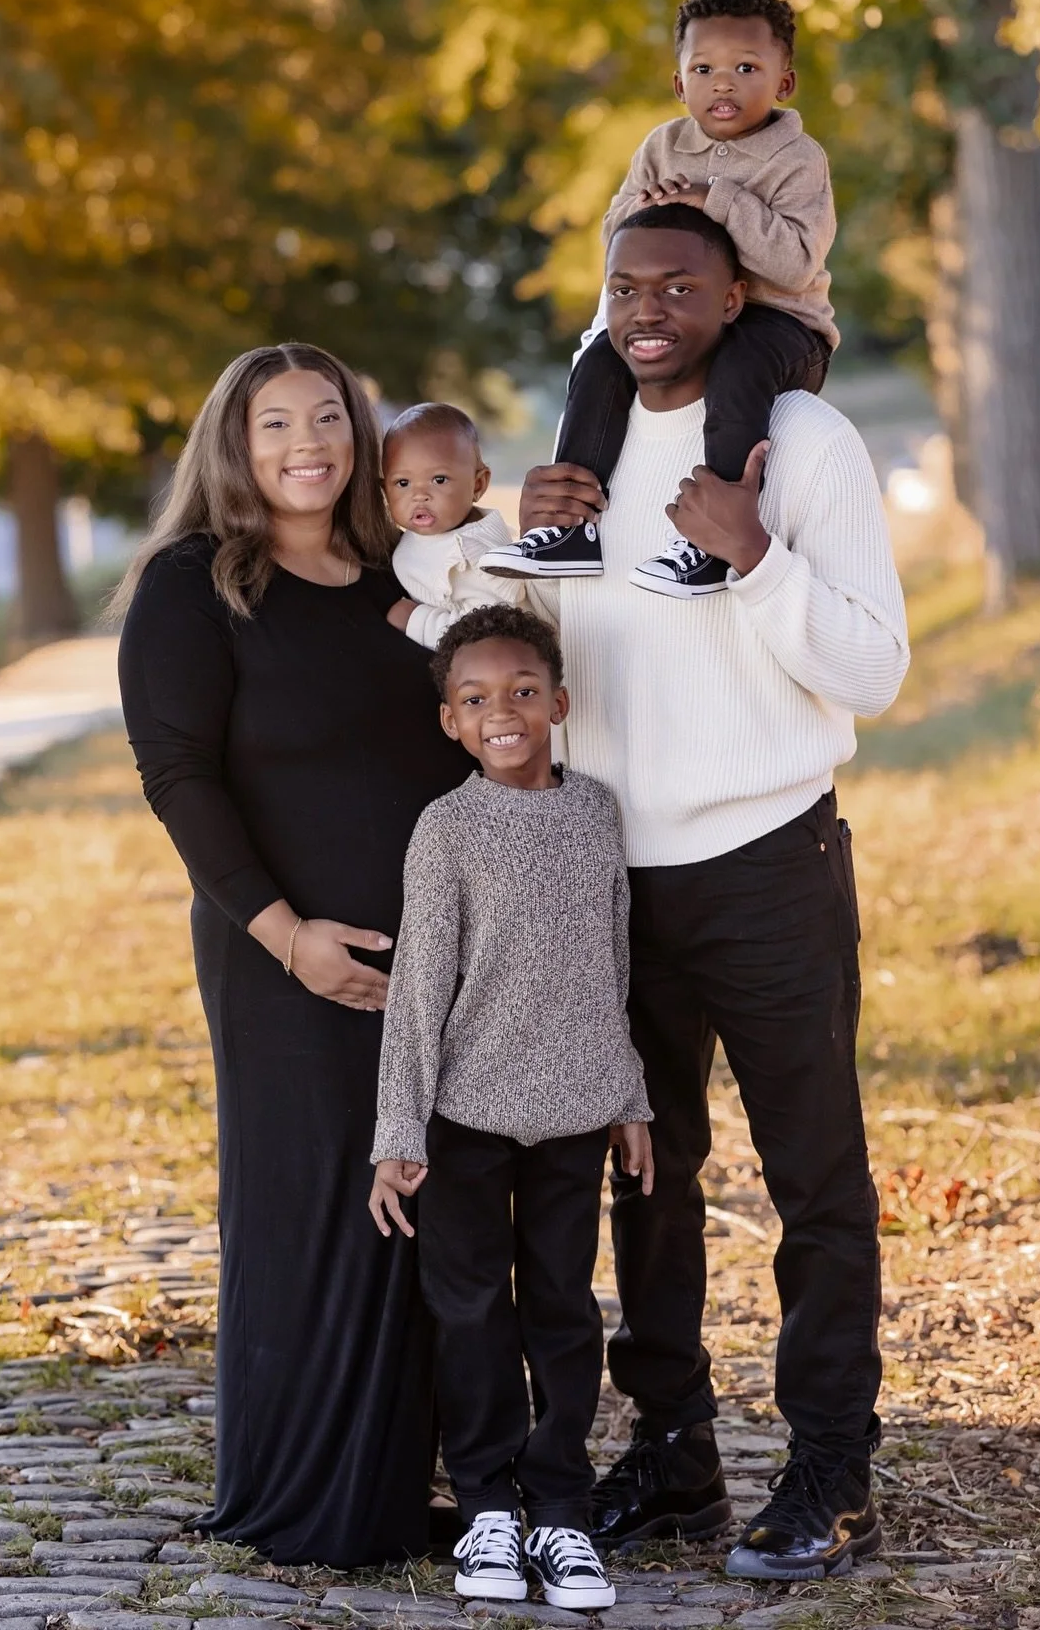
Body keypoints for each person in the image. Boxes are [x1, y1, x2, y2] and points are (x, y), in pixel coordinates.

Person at [516, 203, 909, 1581]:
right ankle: (674, 1455)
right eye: (625, 286)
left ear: (740, 298)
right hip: (613, 872)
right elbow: (532, 658)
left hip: (768, 863)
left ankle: (830, 1475)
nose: (649, 309)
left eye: (681, 286)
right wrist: (522, 544)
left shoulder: (803, 445)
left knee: (816, 1182)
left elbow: (870, 669)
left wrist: (754, 558)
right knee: (644, 1179)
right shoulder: (586, 450)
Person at [114, 342, 474, 1568]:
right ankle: (303, 1499)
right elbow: (180, 778)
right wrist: (286, 938)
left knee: (424, 1210)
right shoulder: (192, 586)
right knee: (313, 1208)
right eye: (276, 425)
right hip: (288, 959)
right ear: (235, 444)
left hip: (436, 960)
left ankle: (393, 1490)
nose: (306, 443)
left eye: (330, 417)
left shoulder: (401, 575)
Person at [368, 603, 653, 1610]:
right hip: (465, 1117)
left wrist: (629, 1092)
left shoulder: (596, 814)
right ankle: (489, 1505)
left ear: (560, 704)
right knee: (472, 1309)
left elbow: (612, 964)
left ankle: (563, 1514)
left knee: (567, 1312)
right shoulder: (446, 829)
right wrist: (399, 1132)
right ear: (450, 720)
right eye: (478, 699)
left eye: (525, 694)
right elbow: (418, 985)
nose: (504, 713)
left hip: (575, 1113)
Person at [482, 0, 836, 598]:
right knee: (599, 360)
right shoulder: (662, 146)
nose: (722, 83)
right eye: (704, 69)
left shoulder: (798, 158)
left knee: (738, 367)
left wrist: (716, 201)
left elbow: (796, 263)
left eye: (745, 68)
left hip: (779, 324)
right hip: (682, 320)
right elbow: (615, 233)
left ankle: (714, 538)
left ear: (784, 83)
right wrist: (642, 212)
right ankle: (572, 527)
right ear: (680, 84)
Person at [381, 401, 526, 649]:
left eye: (439, 479)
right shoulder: (419, 537)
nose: (419, 495)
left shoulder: (475, 556)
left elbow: (495, 631)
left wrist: (417, 621)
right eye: (403, 483)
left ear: (477, 485)